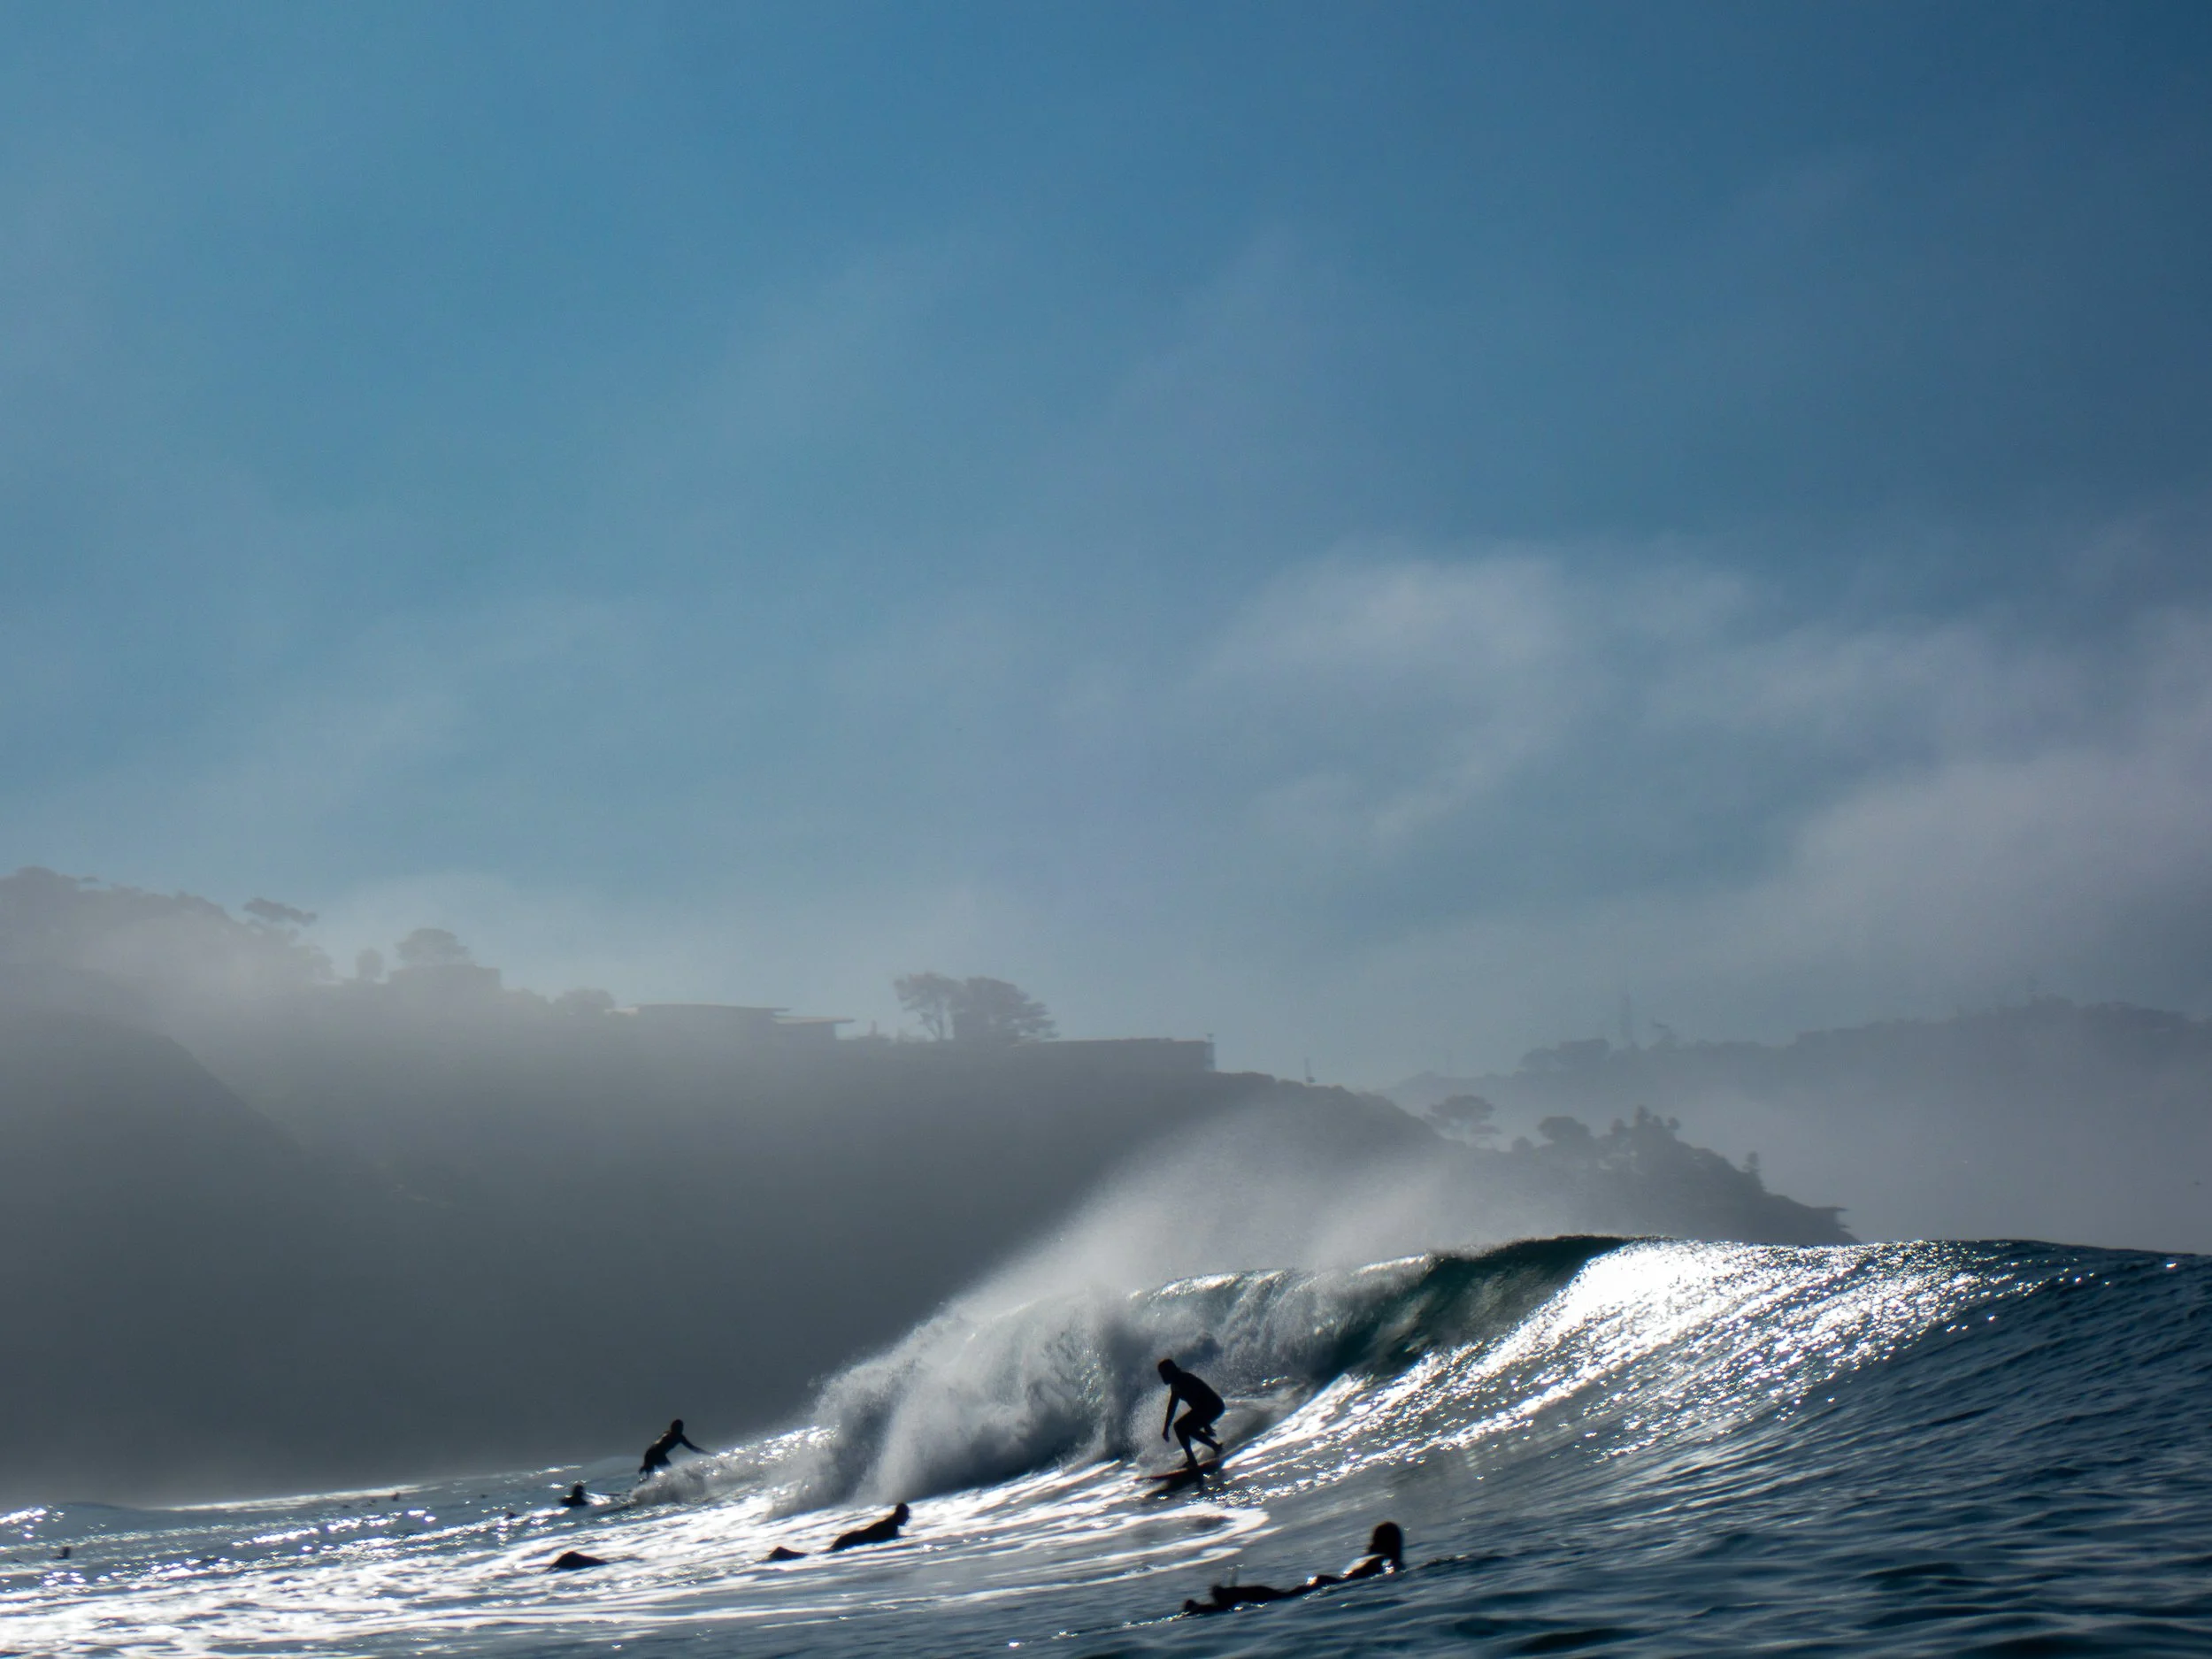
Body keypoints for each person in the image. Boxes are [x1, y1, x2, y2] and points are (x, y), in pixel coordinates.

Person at [1181, 1521, 1403, 1616]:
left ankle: (1206, 1607)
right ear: (1392, 1543)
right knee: (1279, 1598)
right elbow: (1388, 1569)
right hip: (1330, 1585)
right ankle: (1229, 1596)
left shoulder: (1366, 1557)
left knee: (1281, 1595)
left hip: (1326, 1581)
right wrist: (1396, 1575)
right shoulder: (1385, 1559)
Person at [1157, 1358, 1224, 1471]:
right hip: (1204, 1408)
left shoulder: (1184, 1380)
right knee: (1183, 1428)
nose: (1162, 1377)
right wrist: (1166, 1428)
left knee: (1181, 1427)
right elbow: (1172, 1407)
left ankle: (1194, 1460)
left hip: (1214, 1406)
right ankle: (1214, 1448)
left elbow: (1200, 1403)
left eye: (1163, 1373)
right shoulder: (1175, 1384)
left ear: (1171, 1371)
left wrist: (1206, 1425)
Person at [826, 1502, 910, 1552]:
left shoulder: (889, 1524)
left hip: (851, 1538)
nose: (908, 1517)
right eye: (906, 1514)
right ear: (900, 1515)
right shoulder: (890, 1528)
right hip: (851, 1540)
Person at [639, 1418, 704, 1476]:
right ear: (674, 1428)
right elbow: (693, 1448)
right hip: (657, 1454)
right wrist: (708, 1454)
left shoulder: (666, 1433)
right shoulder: (679, 1437)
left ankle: (639, 1489)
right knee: (670, 1473)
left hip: (649, 1453)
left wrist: (647, 1463)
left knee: (650, 1478)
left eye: (681, 1428)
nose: (681, 1429)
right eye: (679, 1428)